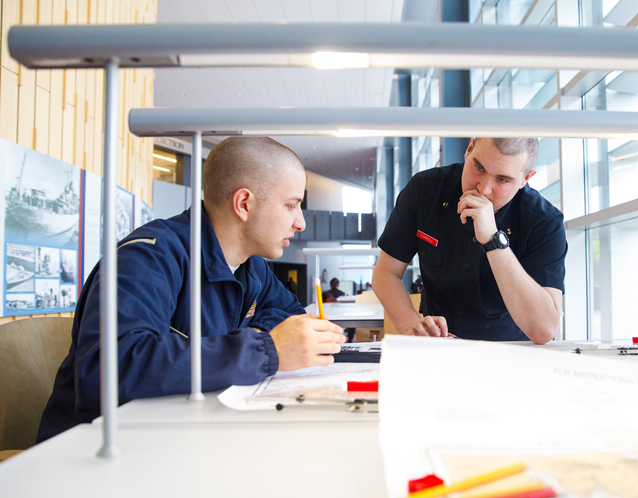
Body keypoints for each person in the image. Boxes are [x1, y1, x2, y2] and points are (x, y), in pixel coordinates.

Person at [37, 137, 346, 442]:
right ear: (244, 204)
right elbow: (107, 370)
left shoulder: (253, 268)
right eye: (291, 205)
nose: (301, 222)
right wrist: (265, 349)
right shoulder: (148, 257)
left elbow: (286, 317)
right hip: (96, 453)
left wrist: (267, 342)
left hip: (178, 437)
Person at [373, 137, 566, 345]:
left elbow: (544, 329)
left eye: (502, 179)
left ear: (525, 179)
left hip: (510, 350)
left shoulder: (544, 221)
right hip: (437, 348)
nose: (483, 189)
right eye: (479, 168)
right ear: (469, 149)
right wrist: (412, 327)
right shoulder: (424, 190)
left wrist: (493, 240)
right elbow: (386, 273)